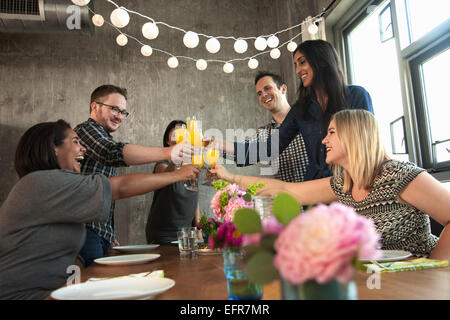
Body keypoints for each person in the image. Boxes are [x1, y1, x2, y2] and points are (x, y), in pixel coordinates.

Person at [209, 110, 450, 260]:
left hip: (419, 280)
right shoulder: (342, 185)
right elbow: (284, 190)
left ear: (354, 136)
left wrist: (437, 268)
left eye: (332, 132)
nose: (324, 140)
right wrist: (229, 177)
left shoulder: (400, 175)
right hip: (379, 280)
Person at [0, 120, 199, 299]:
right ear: (54, 148)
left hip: (57, 291)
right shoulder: (38, 183)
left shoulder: (53, 187)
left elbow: (65, 255)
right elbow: (118, 188)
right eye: (76, 142)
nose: (83, 149)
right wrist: (178, 175)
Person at [217, 40, 374, 181]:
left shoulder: (357, 96)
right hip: (314, 193)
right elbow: (266, 149)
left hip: (353, 185)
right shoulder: (301, 109)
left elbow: (369, 146)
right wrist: (216, 143)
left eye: (302, 62)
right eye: (296, 65)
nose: (298, 70)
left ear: (322, 61)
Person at [74, 84, 191, 266]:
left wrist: (109, 233)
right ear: (94, 107)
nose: (119, 116)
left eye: (123, 112)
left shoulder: (103, 136)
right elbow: (111, 152)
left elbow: (108, 192)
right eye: (114, 109)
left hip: (99, 231)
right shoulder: (85, 130)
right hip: (85, 229)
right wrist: (168, 153)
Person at [146, 120, 200, 244]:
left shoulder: (192, 165)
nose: (180, 138)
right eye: (176, 135)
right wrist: (177, 157)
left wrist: (198, 225)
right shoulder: (162, 163)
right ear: (167, 140)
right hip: (164, 233)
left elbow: (194, 194)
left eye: (185, 135)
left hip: (187, 232)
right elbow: (164, 175)